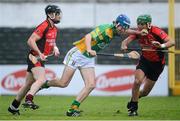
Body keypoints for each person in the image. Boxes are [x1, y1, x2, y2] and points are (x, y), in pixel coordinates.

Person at [40, 14, 144, 117]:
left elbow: (127, 31)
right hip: (79, 53)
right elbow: (88, 36)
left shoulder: (117, 29)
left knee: (91, 85)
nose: (123, 30)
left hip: (88, 58)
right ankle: (45, 84)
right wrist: (89, 49)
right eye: (122, 27)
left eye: (125, 28)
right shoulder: (105, 29)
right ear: (117, 24)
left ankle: (72, 109)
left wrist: (138, 32)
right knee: (63, 83)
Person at [8, 4, 62, 115]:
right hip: (34, 57)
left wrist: (55, 48)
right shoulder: (44, 26)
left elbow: (51, 41)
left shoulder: (54, 28)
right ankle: (29, 99)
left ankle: (13, 107)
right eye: (57, 14)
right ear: (50, 15)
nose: (59, 16)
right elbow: (30, 41)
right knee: (41, 80)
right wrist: (40, 53)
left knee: (27, 85)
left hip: (39, 58)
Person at [121, 14, 175, 116]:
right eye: (138, 24)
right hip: (144, 61)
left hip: (157, 65)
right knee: (137, 81)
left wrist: (162, 45)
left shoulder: (156, 31)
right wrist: (124, 46)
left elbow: (172, 42)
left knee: (145, 92)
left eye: (142, 24)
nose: (140, 26)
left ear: (148, 24)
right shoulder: (138, 32)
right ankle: (133, 108)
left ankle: (134, 98)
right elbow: (125, 41)